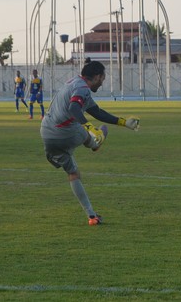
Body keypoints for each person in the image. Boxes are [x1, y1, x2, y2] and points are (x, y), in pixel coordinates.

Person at [40, 60, 140, 225]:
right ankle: (95, 141)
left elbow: (96, 111)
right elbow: (74, 108)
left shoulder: (74, 82)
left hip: (46, 132)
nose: (102, 82)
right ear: (98, 76)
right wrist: (89, 127)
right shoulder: (83, 88)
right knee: (85, 132)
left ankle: (92, 216)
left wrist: (123, 122)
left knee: (73, 173)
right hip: (65, 131)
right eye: (103, 78)